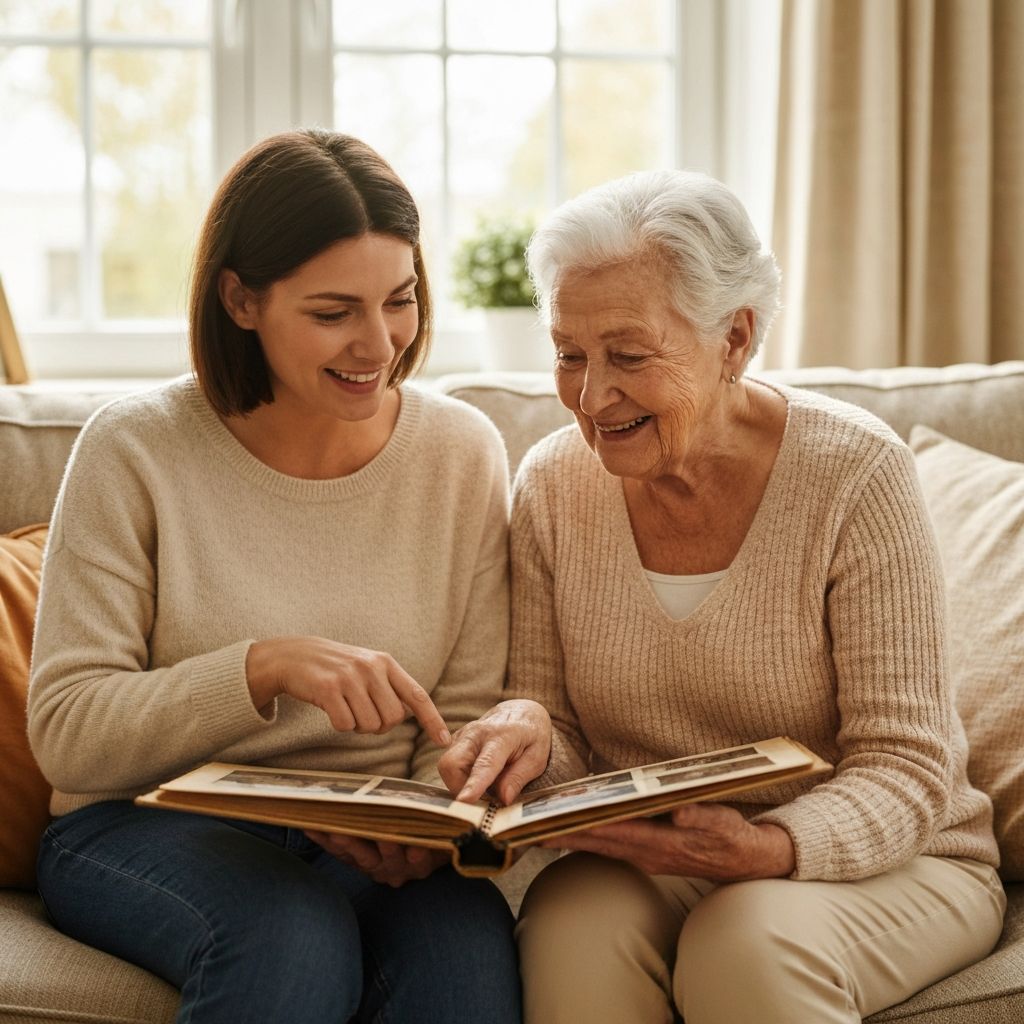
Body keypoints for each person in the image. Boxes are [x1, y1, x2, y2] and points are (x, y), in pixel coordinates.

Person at [438, 168, 1005, 1024]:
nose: (592, 398)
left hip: (894, 859)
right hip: (660, 859)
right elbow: (563, 735)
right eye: (568, 355)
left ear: (734, 339)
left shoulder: (855, 473)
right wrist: (524, 735)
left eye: (628, 355)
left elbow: (907, 763)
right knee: (570, 922)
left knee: (743, 940)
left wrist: (772, 846)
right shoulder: (553, 483)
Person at [28, 129, 521, 1024]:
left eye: (400, 301)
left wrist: (419, 822)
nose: (381, 344)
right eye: (334, 313)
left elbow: (464, 700)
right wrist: (259, 668)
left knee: (466, 942)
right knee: (288, 932)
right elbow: (67, 733)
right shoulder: (131, 449)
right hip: (141, 824)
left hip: (371, 833)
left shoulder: (461, 452)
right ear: (241, 299)